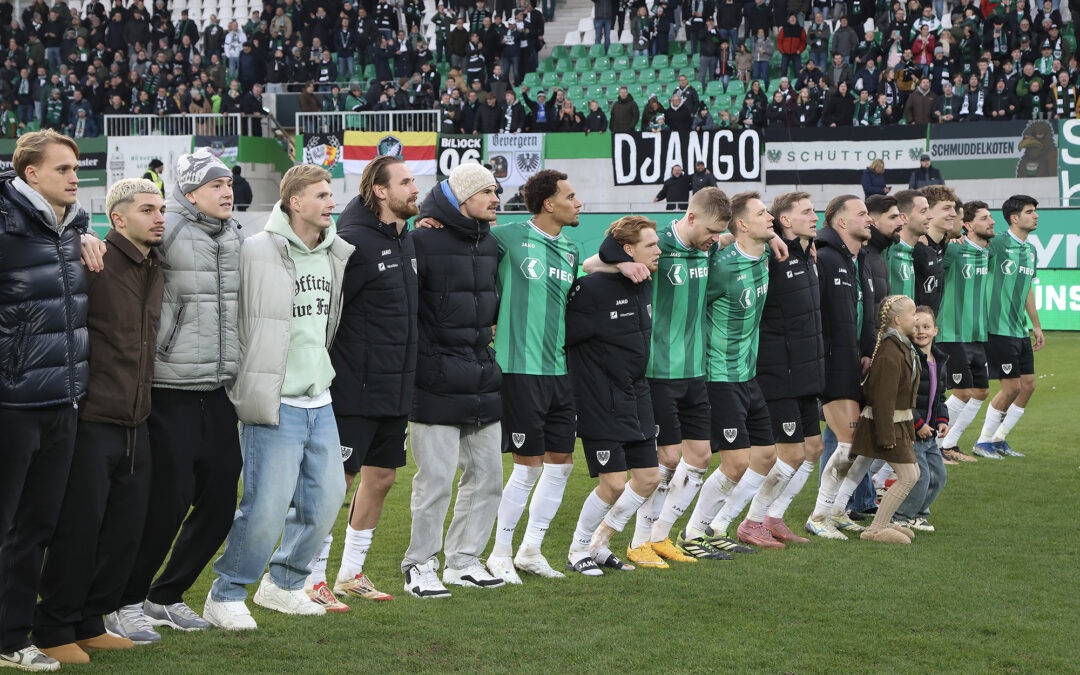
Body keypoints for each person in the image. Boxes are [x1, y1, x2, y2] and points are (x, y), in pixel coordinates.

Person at [205, 165, 354, 629]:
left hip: (320, 398)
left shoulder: (336, 253)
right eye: (322, 195)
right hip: (272, 400)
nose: (332, 202)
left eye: (332, 194)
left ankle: (285, 583)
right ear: (295, 202)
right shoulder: (253, 250)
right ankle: (226, 592)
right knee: (265, 507)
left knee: (327, 500)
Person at [34, 179, 166, 664]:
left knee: (123, 532)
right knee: (79, 531)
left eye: (162, 209)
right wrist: (79, 237)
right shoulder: (92, 258)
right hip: (92, 419)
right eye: (147, 209)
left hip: (138, 419)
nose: (158, 217)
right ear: (117, 219)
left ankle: (91, 620)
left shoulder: (155, 263)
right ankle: (52, 626)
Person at [114, 149, 243, 640]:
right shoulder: (165, 230)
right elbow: (118, 239)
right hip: (169, 390)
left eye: (229, 183)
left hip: (218, 389)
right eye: (216, 185)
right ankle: (125, 600)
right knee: (165, 504)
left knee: (219, 504)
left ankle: (165, 596)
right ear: (190, 195)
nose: (227, 191)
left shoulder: (234, 236)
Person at [0, 130, 95, 673]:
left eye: (75, 167)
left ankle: (13, 636)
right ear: (31, 175)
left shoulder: (73, 228)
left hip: (63, 401)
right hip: (11, 403)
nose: (74, 176)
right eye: (62, 168)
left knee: (36, 528)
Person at [315, 156, 420, 607]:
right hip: (353, 388)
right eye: (407, 182)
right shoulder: (350, 242)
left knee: (381, 478)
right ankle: (309, 576)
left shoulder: (407, 241)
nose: (415, 189)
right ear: (380, 191)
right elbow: (327, 317)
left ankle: (351, 573)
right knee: (335, 482)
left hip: (395, 389)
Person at [400, 163, 504, 598]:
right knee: (436, 481)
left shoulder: (494, 244)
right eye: (486, 192)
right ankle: (419, 565)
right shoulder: (419, 240)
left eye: (496, 190)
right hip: (435, 378)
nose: (496, 198)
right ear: (462, 201)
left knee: (489, 478)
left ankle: (463, 561)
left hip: (482, 377)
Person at [485, 171, 583, 585]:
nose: (578, 203)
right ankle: (499, 553)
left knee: (560, 465)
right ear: (548, 203)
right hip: (518, 367)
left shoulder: (573, 250)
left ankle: (531, 550)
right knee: (526, 467)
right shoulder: (504, 237)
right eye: (570, 196)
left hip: (560, 371)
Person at [678, 192, 782, 554]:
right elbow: (689, 309)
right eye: (762, 213)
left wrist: (777, 238)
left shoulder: (765, 255)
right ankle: (691, 533)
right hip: (719, 376)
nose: (770, 217)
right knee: (735, 461)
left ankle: (719, 526)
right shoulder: (719, 268)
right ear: (741, 225)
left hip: (748, 375)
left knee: (767, 457)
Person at [564, 217, 661, 575]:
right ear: (628, 250)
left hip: (638, 395)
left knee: (649, 478)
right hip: (599, 398)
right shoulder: (589, 290)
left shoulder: (644, 281)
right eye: (651, 246)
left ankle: (600, 545)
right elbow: (563, 340)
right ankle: (577, 550)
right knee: (614, 483)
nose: (659, 251)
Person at [749, 192, 826, 544]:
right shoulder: (769, 255)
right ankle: (748, 522)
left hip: (807, 374)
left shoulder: (808, 255)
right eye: (807, 212)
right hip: (779, 372)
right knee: (790, 453)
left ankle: (774, 516)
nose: (815, 216)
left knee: (813, 449)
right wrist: (772, 239)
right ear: (785, 221)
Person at [805, 195, 876, 539]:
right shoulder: (826, 258)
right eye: (862, 214)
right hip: (832, 365)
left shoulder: (855, 259)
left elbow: (859, 315)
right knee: (849, 445)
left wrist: (865, 351)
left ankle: (837, 508)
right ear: (841, 222)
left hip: (853, 363)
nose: (869, 219)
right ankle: (818, 516)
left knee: (861, 446)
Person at [974, 195, 1043, 457]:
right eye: (1030, 211)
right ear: (1014, 218)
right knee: (1011, 386)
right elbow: (970, 246)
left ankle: (999, 438)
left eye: (1035, 211)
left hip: (1018, 329)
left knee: (1028, 385)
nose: (1036, 215)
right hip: (997, 328)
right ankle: (982, 442)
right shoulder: (997, 243)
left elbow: (1027, 291)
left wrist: (1036, 326)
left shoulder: (1031, 250)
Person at [849, 295, 921, 544]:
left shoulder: (900, 345)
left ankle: (883, 521)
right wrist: (886, 435)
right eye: (913, 314)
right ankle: (875, 529)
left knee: (912, 473)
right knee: (909, 476)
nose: (917, 318)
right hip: (889, 424)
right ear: (899, 320)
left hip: (898, 423)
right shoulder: (892, 351)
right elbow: (883, 399)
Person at [935, 199, 994, 462]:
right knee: (963, 391)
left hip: (977, 333)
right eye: (984, 218)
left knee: (981, 391)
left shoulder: (986, 252)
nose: (991, 222)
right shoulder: (953, 250)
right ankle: (933, 447)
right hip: (952, 332)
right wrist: (950, 238)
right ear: (967, 225)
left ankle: (950, 444)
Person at [893, 305, 949, 532]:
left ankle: (918, 514)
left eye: (926, 327)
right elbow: (902, 397)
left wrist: (942, 420)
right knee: (921, 477)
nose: (921, 331)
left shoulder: (940, 360)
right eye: (916, 327)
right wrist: (917, 424)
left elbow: (940, 395)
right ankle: (900, 516)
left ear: (935, 330)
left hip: (929, 435)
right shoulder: (909, 358)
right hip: (911, 432)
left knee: (939, 476)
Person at [887, 189, 930, 299]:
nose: (930, 216)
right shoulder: (887, 250)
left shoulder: (910, 250)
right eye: (923, 211)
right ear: (903, 217)